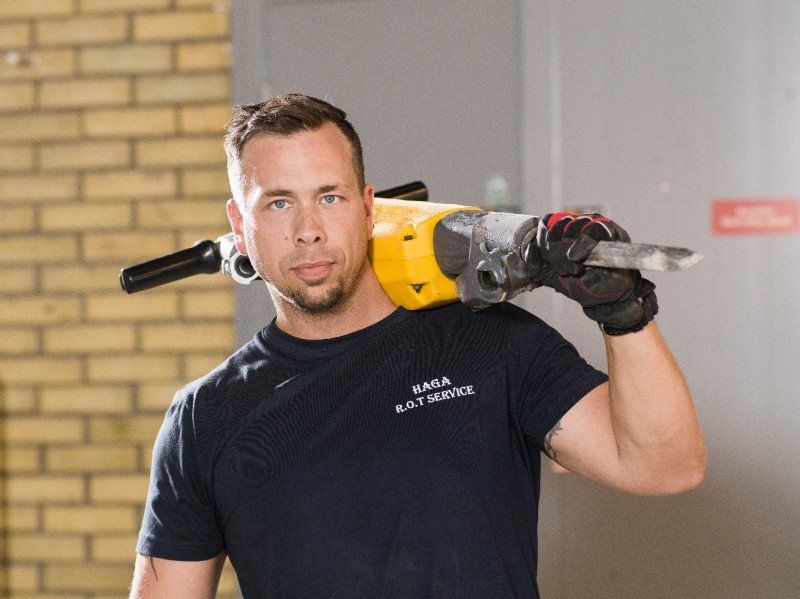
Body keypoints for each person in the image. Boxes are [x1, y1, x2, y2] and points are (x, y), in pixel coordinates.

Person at [129, 94, 706, 598]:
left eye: (329, 197)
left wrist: (623, 316)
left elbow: (667, 466)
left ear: (368, 206)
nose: (308, 229)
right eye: (278, 203)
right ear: (239, 223)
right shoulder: (207, 415)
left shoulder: (493, 344)